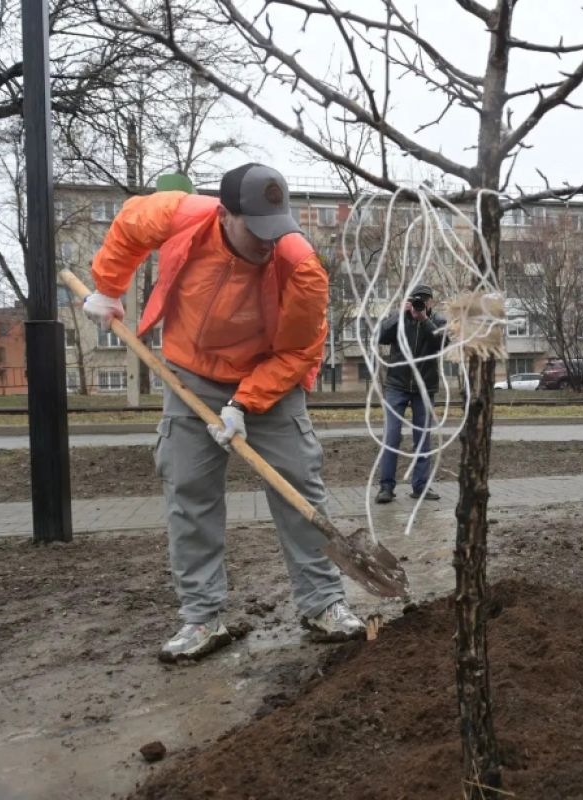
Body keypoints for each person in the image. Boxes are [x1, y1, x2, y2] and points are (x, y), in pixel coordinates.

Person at [81, 162, 366, 663]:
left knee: (299, 486)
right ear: (225, 215)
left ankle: (323, 604)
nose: (266, 242)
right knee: (189, 491)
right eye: (255, 230)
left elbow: (299, 352)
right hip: (190, 376)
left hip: (269, 382)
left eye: (274, 230)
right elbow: (127, 225)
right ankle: (202, 617)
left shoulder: (301, 265)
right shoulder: (181, 215)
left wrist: (243, 403)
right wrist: (107, 288)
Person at [373, 284, 448, 503]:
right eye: (416, 300)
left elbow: (440, 343)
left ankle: (421, 487)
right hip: (397, 385)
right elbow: (380, 336)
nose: (419, 304)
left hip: (424, 388)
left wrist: (424, 319)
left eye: (424, 300)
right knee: (391, 437)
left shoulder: (438, 321)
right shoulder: (400, 319)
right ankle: (386, 487)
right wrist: (400, 314)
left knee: (422, 440)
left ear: (431, 302)